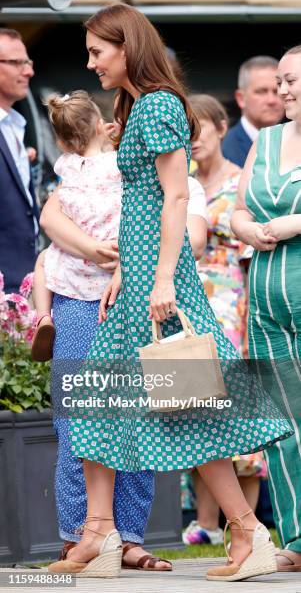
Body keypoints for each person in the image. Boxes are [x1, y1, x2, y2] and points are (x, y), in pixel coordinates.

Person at [48, 3, 291, 581]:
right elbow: (138, 202)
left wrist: (158, 279)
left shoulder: (157, 106)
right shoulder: (134, 107)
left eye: (97, 52)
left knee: (189, 407)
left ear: (127, 47)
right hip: (137, 277)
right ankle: (100, 532)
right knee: (103, 402)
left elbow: (176, 196)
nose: (91, 64)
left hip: (161, 281)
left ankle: (245, 531)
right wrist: (123, 270)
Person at [35, 91, 171, 571]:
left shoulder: (67, 171)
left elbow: (50, 219)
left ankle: (80, 535)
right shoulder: (124, 167)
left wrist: (90, 249)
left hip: (72, 300)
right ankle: (124, 535)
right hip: (120, 300)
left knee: (77, 420)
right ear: (102, 125)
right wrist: (106, 253)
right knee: (130, 418)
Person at [182, 94, 266, 546]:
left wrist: (253, 314)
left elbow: (252, 257)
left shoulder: (240, 182)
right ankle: (206, 523)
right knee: (196, 408)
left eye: (202, 129)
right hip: (188, 301)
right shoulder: (182, 182)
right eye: (186, 131)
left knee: (239, 409)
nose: (193, 140)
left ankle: (246, 524)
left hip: (233, 301)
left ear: (220, 125)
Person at [231, 44, 301, 572]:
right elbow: (234, 208)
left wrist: (296, 223)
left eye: (292, 81)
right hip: (265, 304)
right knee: (278, 419)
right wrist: (248, 228)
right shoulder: (268, 139)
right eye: (279, 81)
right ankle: (296, 538)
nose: (283, 91)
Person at [0, 28, 39, 294]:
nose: (28, 72)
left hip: (26, 283)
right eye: (17, 63)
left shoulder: (15, 124)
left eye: (28, 62)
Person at [222, 56, 284, 168]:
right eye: (261, 92)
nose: (272, 100)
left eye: (277, 91)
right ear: (241, 98)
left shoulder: (295, 140)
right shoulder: (223, 150)